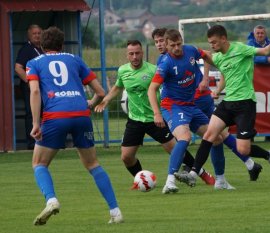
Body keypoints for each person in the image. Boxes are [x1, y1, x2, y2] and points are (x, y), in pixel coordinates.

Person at [27, 27, 123, 225]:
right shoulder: (75, 59)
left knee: (39, 163)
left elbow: (35, 92)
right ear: (61, 45)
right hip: (80, 114)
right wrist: (90, 104)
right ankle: (115, 211)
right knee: (93, 164)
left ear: (42, 46)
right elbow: (100, 91)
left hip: (55, 116)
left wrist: (36, 123)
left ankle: (51, 200)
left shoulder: (34, 63)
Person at [94, 40, 215, 189]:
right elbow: (117, 87)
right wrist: (105, 101)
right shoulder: (123, 71)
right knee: (126, 156)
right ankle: (142, 180)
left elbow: (166, 89)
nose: (134, 57)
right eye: (131, 54)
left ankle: (202, 173)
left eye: (137, 53)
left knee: (176, 148)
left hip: (156, 119)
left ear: (142, 53)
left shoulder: (153, 70)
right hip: (135, 120)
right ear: (127, 55)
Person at [152, 28, 267, 182]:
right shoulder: (163, 61)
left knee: (219, 135)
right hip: (186, 102)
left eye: (161, 41)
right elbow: (158, 86)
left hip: (201, 98)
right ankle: (247, 165)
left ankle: (215, 173)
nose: (160, 44)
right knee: (216, 135)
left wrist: (205, 78)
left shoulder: (188, 51)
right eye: (157, 42)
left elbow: (207, 55)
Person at [174, 25, 270, 187]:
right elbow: (205, 56)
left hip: (245, 104)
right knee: (209, 135)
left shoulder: (241, 49)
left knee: (244, 149)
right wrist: (186, 50)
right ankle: (192, 174)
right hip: (228, 103)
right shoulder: (218, 57)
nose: (212, 45)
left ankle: (269, 156)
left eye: (214, 42)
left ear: (224, 39)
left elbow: (265, 52)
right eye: (210, 43)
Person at [247, 25, 270, 142]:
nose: (260, 35)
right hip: (252, 83)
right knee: (252, 108)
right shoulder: (249, 44)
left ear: (265, 34)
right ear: (254, 34)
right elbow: (249, 57)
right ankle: (248, 134)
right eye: (257, 33)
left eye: (262, 33)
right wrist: (266, 60)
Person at [15, 24, 44, 150]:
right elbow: (18, 68)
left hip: (45, 88)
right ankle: (32, 143)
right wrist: (30, 82)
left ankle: (47, 140)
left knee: (47, 113)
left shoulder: (44, 48)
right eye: (34, 34)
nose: (37, 36)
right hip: (31, 89)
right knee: (32, 114)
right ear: (29, 35)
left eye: (39, 33)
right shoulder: (26, 49)